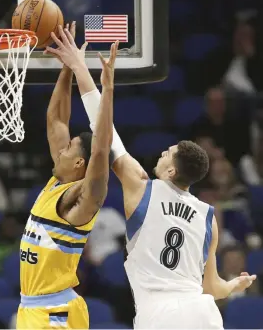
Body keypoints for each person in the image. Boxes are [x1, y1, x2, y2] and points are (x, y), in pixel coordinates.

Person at [76, 57, 257, 329]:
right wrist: (234, 284)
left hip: (159, 315)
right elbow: (212, 288)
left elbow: (105, 137)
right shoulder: (208, 215)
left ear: (172, 171)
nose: (162, 152)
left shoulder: (142, 188)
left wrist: (82, 69)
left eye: (168, 153)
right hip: (202, 313)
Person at [16, 22, 118, 329]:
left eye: (69, 149)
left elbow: (101, 150)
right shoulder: (58, 183)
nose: (60, 150)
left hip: (54, 314)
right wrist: (67, 68)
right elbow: (56, 118)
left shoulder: (80, 202)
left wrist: (107, 89)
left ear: (80, 164)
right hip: (36, 308)